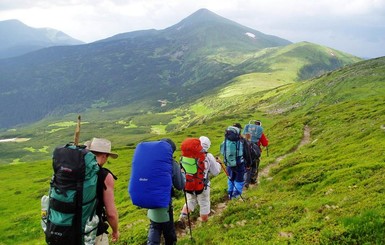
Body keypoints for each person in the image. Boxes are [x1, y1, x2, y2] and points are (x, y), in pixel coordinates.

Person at [147, 138, 185, 245]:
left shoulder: (149, 161)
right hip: (164, 202)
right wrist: (182, 173)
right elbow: (180, 185)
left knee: (154, 225)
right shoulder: (172, 164)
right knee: (168, 228)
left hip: (149, 198)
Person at [177, 136, 221, 227]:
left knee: (190, 201)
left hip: (188, 183)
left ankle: (182, 216)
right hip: (202, 185)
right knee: (204, 203)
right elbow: (216, 172)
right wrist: (218, 163)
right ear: (208, 146)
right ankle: (204, 225)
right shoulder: (208, 156)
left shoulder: (186, 156)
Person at [86, 138, 120, 244]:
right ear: (104, 155)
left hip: (66, 230)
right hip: (93, 232)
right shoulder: (105, 176)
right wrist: (115, 231)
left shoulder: (72, 170)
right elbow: (111, 213)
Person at [220, 125, 250, 199]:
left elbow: (222, 152)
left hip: (229, 164)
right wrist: (248, 164)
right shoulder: (241, 141)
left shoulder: (226, 141)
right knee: (239, 180)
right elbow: (247, 153)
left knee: (231, 178)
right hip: (239, 164)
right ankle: (235, 197)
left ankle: (230, 193)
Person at [242, 120, 269, 187]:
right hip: (255, 152)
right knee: (255, 165)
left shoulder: (247, 131)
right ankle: (252, 180)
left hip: (245, 151)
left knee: (246, 165)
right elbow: (265, 143)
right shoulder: (260, 133)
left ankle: (244, 181)